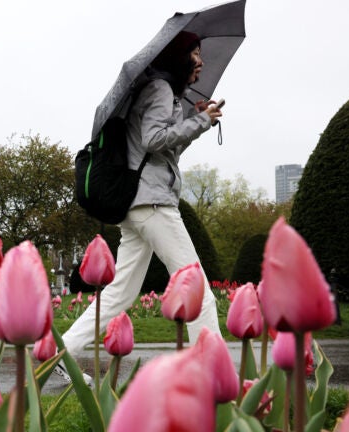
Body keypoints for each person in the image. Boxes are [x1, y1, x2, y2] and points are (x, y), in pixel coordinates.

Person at [54, 31, 223, 384]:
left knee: (120, 292)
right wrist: (199, 122)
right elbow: (153, 139)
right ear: (180, 58)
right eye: (195, 54)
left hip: (137, 204)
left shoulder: (160, 93)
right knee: (199, 292)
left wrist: (194, 122)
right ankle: (212, 379)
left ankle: (61, 352)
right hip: (153, 204)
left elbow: (161, 153)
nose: (201, 62)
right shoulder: (161, 90)